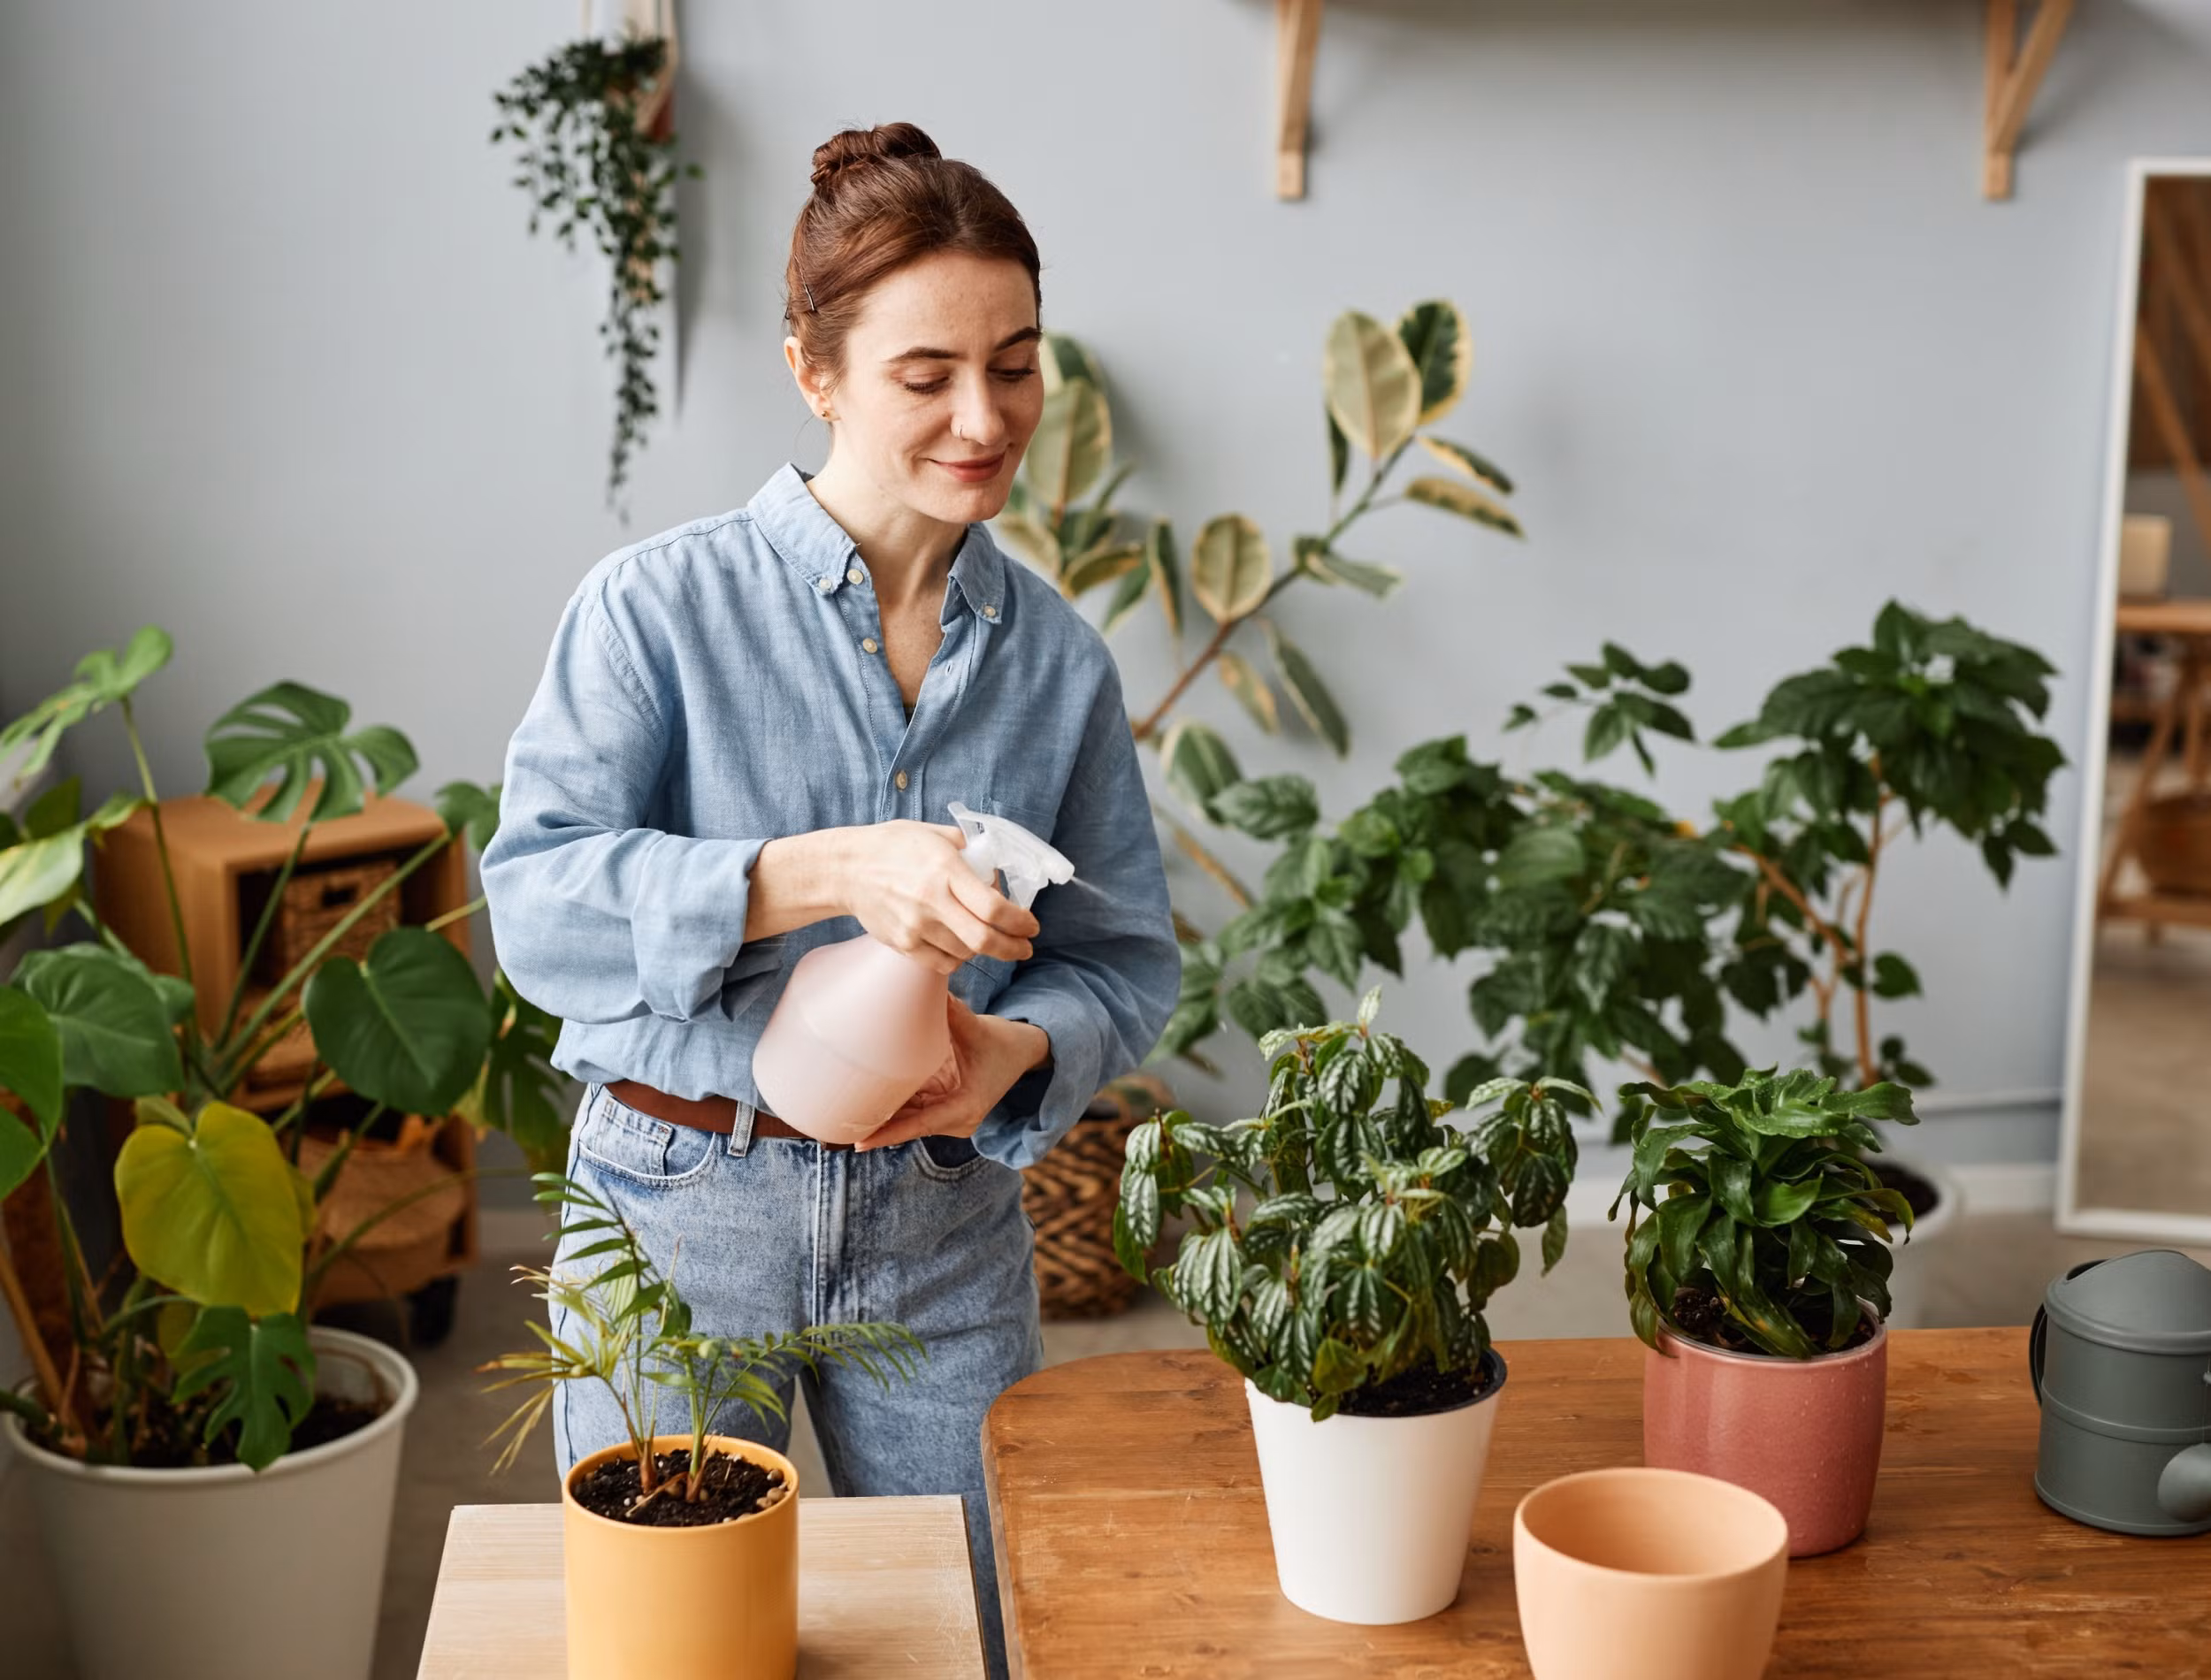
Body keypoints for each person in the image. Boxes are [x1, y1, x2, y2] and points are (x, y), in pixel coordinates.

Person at [480, 121, 1179, 1676]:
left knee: (977, 1633)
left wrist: (1020, 1055)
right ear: (817, 371)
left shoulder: (1057, 663)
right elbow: (534, 908)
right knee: (679, 1653)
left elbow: (1126, 957)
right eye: (925, 375)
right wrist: (823, 872)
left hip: (941, 1230)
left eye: (1016, 364)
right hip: (673, 1207)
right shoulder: (657, 609)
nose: (984, 417)